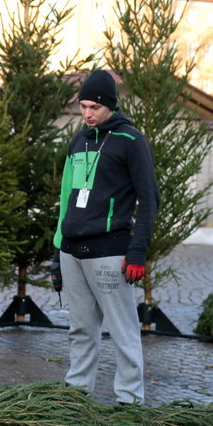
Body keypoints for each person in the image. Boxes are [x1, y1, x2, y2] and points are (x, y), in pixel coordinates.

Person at [52, 69, 159, 405]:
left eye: (94, 107)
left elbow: (150, 198)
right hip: (72, 253)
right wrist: (57, 253)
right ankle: (77, 397)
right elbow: (66, 197)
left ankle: (129, 402)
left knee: (123, 331)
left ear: (110, 105)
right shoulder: (78, 140)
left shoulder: (131, 141)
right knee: (80, 330)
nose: (87, 113)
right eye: (83, 106)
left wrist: (137, 250)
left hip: (110, 253)